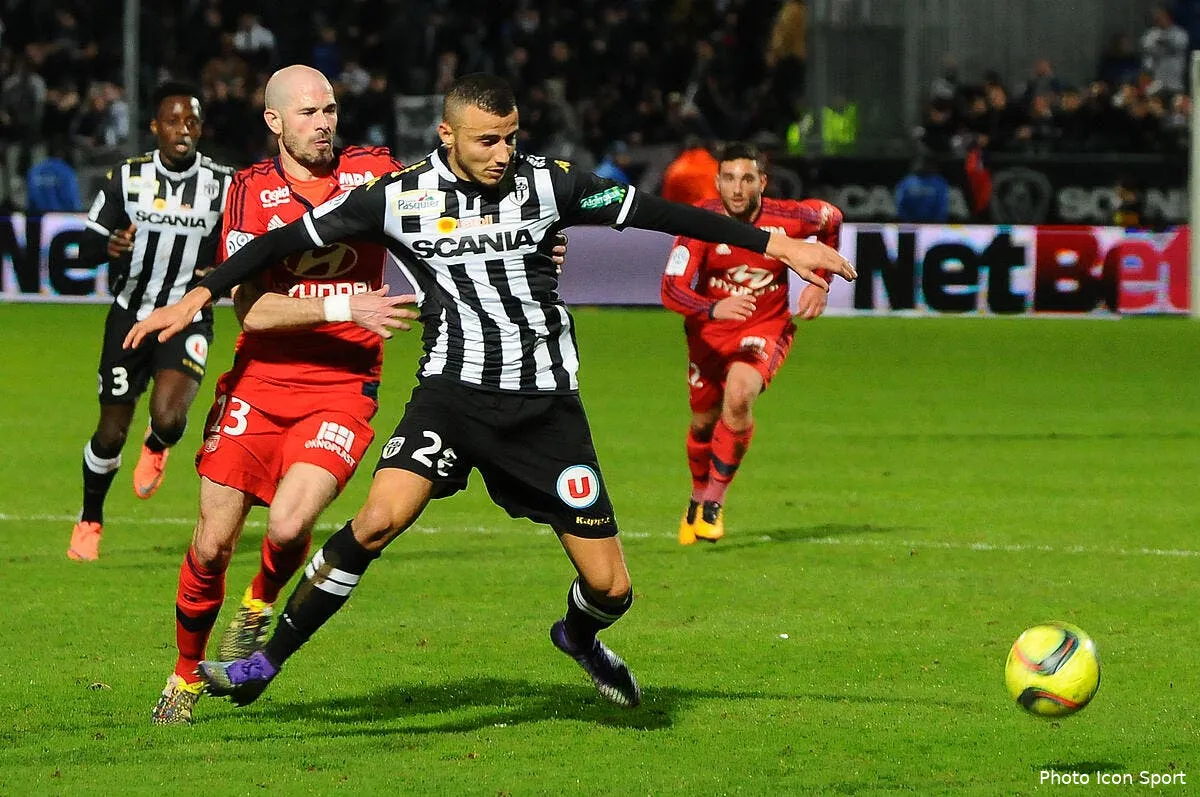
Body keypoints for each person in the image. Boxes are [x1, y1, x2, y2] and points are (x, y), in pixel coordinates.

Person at [127, 74, 854, 711]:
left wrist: (779, 246)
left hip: (544, 409)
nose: (502, 154)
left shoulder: (552, 182)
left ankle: (577, 636)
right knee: (378, 518)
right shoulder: (399, 196)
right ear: (447, 134)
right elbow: (280, 242)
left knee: (612, 589)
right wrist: (198, 295)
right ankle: (261, 663)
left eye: (509, 138)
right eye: (485, 141)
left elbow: (660, 211)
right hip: (450, 395)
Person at [147, 65, 417, 725]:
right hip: (260, 381)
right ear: (274, 122)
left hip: (343, 385)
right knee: (212, 542)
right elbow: (255, 311)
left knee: (293, 523)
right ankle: (183, 677)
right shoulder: (249, 191)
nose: (324, 123)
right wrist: (342, 301)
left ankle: (260, 598)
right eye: (308, 113)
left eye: (330, 109)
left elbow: (448, 211)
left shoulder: (374, 169)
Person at [67, 81, 236, 562]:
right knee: (110, 434)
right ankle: (90, 518)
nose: (183, 130)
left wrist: (221, 268)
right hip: (129, 318)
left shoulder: (224, 184)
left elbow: (243, 243)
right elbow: (84, 248)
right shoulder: (127, 177)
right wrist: (110, 247)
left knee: (169, 416)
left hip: (187, 317)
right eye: (174, 121)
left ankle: (159, 444)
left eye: (192, 121)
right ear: (155, 128)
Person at [661, 143, 842, 545]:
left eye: (747, 179)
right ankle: (696, 496)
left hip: (765, 326)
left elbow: (832, 217)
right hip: (709, 335)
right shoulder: (700, 222)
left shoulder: (788, 217)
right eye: (728, 178)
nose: (737, 188)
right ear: (717, 182)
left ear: (763, 182)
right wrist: (712, 309)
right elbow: (671, 289)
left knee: (740, 396)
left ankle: (712, 503)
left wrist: (820, 284)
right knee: (703, 422)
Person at [894, 155, 950, 223]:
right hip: (909, 223)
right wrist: (906, 220)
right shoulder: (906, 181)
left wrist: (937, 222)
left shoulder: (939, 182)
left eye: (927, 163)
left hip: (933, 224)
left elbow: (942, 206)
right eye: (920, 163)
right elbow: (899, 204)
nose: (923, 165)